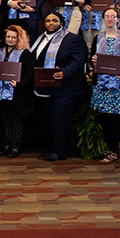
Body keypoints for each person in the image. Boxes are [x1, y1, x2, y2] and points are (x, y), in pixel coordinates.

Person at [31, 12, 88, 161]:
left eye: (54, 20)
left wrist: (65, 72)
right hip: (47, 88)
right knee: (51, 120)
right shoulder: (40, 38)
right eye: (48, 20)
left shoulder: (73, 39)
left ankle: (59, 152)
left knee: (60, 120)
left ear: (62, 23)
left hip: (66, 89)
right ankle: (53, 148)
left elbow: (79, 60)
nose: (50, 23)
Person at [88, 8, 120, 163]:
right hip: (101, 85)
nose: (110, 19)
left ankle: (114, 150)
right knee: (104, 117)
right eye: (107, 16)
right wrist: (93, 60)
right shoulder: (98, 38)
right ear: (103, 19)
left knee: (115, 118)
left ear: (117, 19)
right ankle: (107, 148)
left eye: (113, 16)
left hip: (117, 85)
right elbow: (91, 59)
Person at [0, 25, 34, 159]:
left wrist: (19, 84)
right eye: (8, 36)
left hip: (17, 93)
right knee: (5, 120)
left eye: (13, 37)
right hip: (2, 92)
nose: (10, 39)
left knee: (16, 121)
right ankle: (6, 145)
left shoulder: (24, 53)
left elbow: (29, 73)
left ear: (18, 38)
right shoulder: (0, 51)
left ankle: (15, 146)